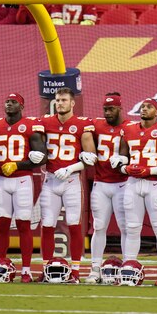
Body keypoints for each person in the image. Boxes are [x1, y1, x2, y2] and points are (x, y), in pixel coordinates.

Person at [114, 98, 157, 286]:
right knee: (132, 228)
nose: (144, 109)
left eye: (149, 107)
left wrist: (151, 170)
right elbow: (119, 160)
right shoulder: (128, 129)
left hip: (154, 183)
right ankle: (129, 268)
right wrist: (125, 169)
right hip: (133, 183)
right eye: (142, 106)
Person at [34, 87, 97, 283]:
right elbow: (36, 145)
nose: (60, 103)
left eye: (63, 100)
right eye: (58, 100)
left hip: (71, 180)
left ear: (72, 103)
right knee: (47, 224)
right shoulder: (44, 122)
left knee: (74, 224)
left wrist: (70, 169)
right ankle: (46, 270)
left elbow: (91, 157)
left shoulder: (82, 124)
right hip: (51, 179)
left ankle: (76, 272)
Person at [0, 93, 48, 283]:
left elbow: (42, 156)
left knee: (24, 225)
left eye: (13, 102)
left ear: (21, 106)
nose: (9, 104)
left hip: (22, 180)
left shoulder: (31, 126)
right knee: (2, 226)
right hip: (1, 181)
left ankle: (26, 270)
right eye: (7, 101)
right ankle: (0, 265)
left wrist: (18, 165)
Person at [85, 92, 131, 283]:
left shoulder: (130, 127)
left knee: (126, 227)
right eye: (105, 109)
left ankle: (129, 267)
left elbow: (138, 151)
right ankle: (95, 268)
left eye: (111, 109)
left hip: (123, 183)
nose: (107, 112)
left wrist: (125, 159)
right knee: (99, 226)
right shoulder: (95, 125)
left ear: (120, 108)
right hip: (101, 183)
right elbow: (81, 131)